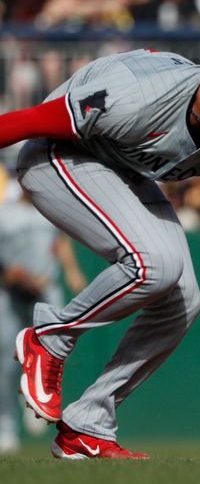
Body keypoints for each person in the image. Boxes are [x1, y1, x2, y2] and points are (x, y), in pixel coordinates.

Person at [0, 41, 200, 459]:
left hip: (120, 167)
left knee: (185, 301)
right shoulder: (135, 97)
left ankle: (88, 424)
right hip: (56, 154)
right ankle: (50, 339)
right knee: (155, 265)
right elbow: (26, 121)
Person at [0, 182, 86, 454]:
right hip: (11, 290)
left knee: (56, 346)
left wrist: (72, 271)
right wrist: (8, 273)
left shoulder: (49, 209)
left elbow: (61, 241)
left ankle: (33, 395)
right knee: (6, 358)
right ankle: (6, 426)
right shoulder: (5, 213)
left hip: (46, 286)